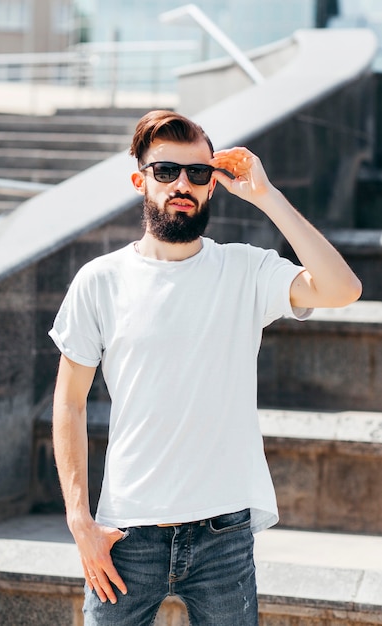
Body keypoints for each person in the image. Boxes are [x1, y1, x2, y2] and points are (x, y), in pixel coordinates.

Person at [49, 110, 361, 626]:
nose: (182, 185)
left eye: (198, 173)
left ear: (213, 186)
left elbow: (342, 288)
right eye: (166, 170)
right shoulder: (99, 281)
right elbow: (68, 400)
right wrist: (79, 519)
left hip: (223, 537)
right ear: (140, 180)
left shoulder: (246, 269)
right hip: (125, 536)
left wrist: (266, 195)